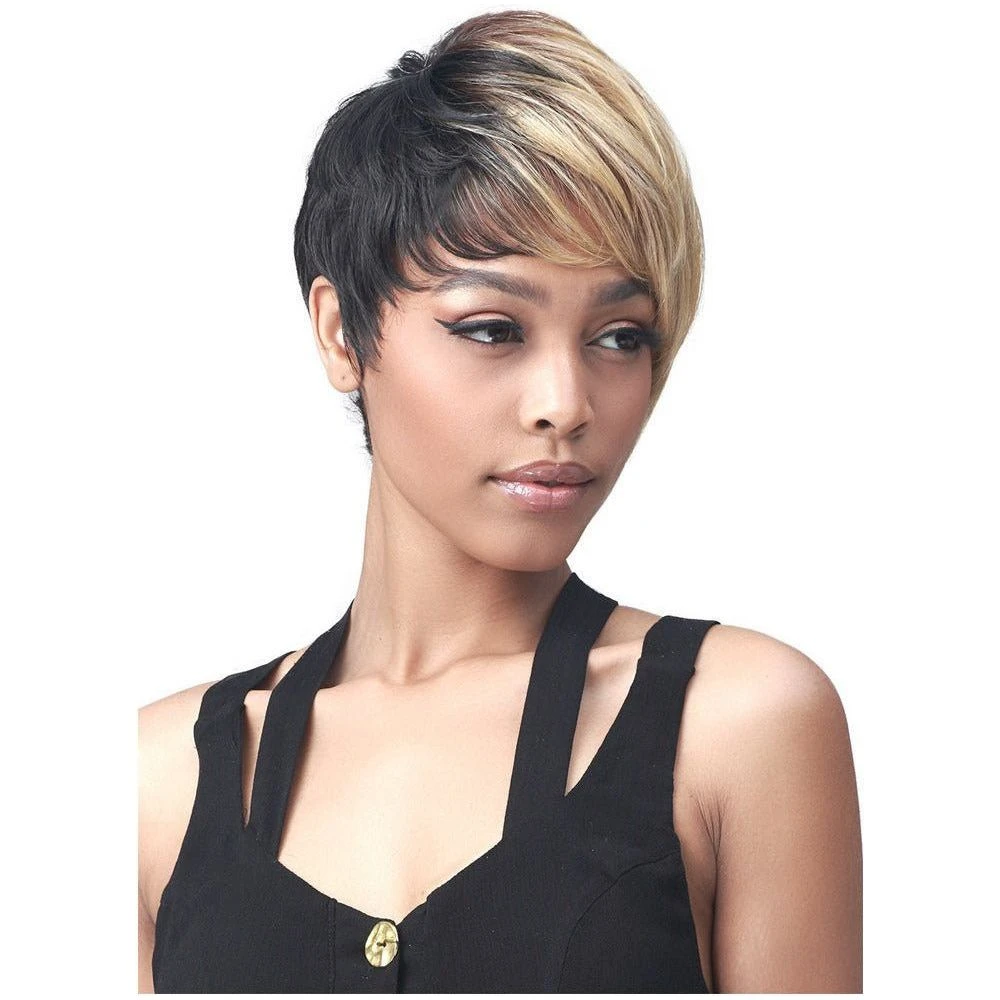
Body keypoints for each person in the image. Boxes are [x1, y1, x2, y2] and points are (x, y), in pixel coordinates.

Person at [137, 9, 862, 993]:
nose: (566, 404)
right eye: (491, 328)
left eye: (619, 337)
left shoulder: (738, 721)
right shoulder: (161, 779)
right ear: (343, 333)